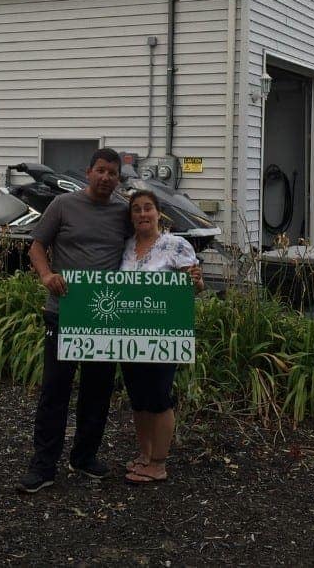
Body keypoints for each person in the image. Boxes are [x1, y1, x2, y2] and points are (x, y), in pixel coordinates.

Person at [16, 148, 131, 494]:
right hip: (63, 311)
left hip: (104, 316)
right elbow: (36, 245)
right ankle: (43, 465)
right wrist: (46, 275)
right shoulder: (63, 205)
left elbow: (147, 245)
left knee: (97, 391)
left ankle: (84, 457)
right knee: (55, 390)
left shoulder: (123, 213)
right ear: (89, 171)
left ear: (118, 178)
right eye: (100, 170)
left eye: (112, 173)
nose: (106, 177)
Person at [120, 189, 203, 484]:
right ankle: (145, 455)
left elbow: (193, 288)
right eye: (137, 209)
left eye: (148, 208)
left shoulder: (175, 245)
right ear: (131, 216)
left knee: (159, 397)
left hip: (163, 336)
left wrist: (195, 281)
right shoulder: (126, 247)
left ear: (158, 213)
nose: (143, 214)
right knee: (139, 398)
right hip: (128, 335)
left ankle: (158, 463)